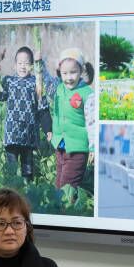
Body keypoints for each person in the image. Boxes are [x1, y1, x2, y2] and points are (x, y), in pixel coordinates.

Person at [36, 46, 95, 207]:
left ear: (81, 70)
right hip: (60, 147)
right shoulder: (58, 88)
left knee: (66, 188)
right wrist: (39, 63)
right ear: (60, 73)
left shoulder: (87, 93)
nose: (69, 78)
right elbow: (45, 80)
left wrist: (93, 147)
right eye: (65, 73)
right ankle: (63, 211)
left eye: (73, 72)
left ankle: (68, 211)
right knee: (59, 186)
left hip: (77, 149)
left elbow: (92, 123)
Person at [0, 45, 40, 181]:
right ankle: (11, 189)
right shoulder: (9, 81)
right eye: (20, 63)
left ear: (32, 66)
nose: (23, 66)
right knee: (11, 169)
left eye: (27, 63)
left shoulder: (35, 82)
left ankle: (28, 190)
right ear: (14, 65)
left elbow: (41, 105)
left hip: (29, 134)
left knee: (28, 171)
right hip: (12, 133)